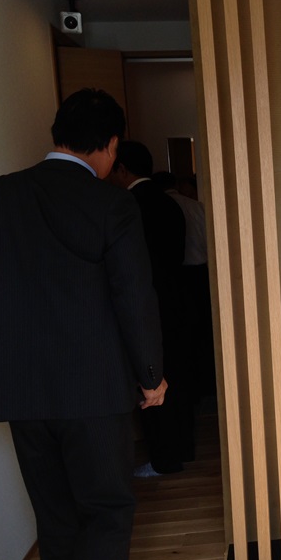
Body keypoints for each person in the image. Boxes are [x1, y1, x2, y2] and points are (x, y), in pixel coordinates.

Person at [0, 88, 167, 560]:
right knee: (106, 509)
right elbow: (134, 297)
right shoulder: (112, 204)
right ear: (110, 144)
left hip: (20, 390)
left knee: (53, 512)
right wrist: (151, 375)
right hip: (96, 390)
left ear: (59, 135)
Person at [108, 141, 192, 475]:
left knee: (152, 376)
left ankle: (163, 459)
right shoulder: (171, 203)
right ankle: (183, 449)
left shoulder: (125, 205)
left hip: (146, 304)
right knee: (178, 376)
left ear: (121, 169)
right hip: (178, 299)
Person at [152, 170, 215, 401]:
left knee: (181, 333)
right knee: (204, 331)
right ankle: (207, 386)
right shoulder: (198, 207)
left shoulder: (159, 208)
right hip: (201, 274)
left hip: (177, 276)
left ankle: (186, 386)